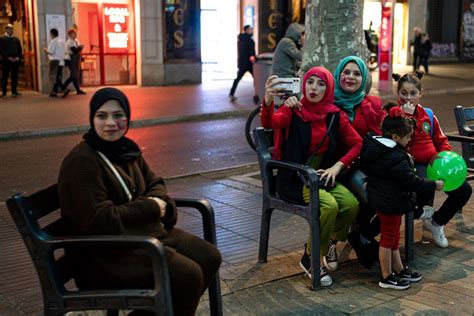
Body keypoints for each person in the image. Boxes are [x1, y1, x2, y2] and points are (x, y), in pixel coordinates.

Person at [57, 87, 222, 315]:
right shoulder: (82, 161)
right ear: (91, 118)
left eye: (118, 115)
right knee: (187, 275)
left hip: (137, 237)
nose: (110, 123)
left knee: (209, 256)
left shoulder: (126, 150)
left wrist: (154, 202)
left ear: (127, 117)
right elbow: (102, 219)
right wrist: (152, 207)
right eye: (102, 116)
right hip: (103, 255)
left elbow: (155, 183)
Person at [260, 67, 362, 286]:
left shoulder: (335, 115)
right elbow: (270, 123)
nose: (314, 88)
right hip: (294, 177)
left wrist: (337, 167)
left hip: (322, 176)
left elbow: (357, 143)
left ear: (328, 88)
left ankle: (329, 242)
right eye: (310, 82)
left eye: (321, 84)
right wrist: (268, 101)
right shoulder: (293, 109)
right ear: (303, 84)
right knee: (329, 206)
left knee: (351, 204)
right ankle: (311, 258)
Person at [360, 103, 441, 290]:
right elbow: (410, 181)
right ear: (396, 137)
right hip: (389, 202)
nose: (409, 140)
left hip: (392, 201)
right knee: (388, 239)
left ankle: (398, 268)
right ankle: (386, 275)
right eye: (407, 137)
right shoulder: (394, 156)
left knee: (394, 236)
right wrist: (432, 185)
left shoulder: (384, 150)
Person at [393, 71, 472, 248]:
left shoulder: (428, 114)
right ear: (398, 94)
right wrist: (406, 117)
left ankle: (437, 221)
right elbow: (395, 141)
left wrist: (445, 157)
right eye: (404, 93)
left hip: (435, 163)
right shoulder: (394, 115)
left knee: (464, 190)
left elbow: (441, 140)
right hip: (411, 166)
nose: (409, 98)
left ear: (420, 94)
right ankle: (419, 211)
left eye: (413, 93)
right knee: (425, 185)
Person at [332, 56, 385, 268]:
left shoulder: (370, 104)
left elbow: (380, 135)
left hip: (365, 164)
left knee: (396, 190)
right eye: (346, 72)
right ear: (338, 75)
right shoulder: (328, 104)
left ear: (363, 78)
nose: (351, 77)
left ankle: (363, 235)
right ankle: (361, 239)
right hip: (340, 167)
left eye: (357, 73)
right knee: (372, 193)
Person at [229, 25, 256, 102]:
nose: (252, 30)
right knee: (257, 79)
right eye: (250, 29)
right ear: (247, 30)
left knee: (238, 78)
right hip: (249, 64)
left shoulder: (240, 40)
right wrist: (253, 58)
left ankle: (231, 93)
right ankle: (259, 94)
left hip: (242, 63)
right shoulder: (249, 41)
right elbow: (251, 52)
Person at [44, 28, 69, 98]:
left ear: (52, 34)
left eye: (50, 34)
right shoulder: (62, 41)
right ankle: (54, 92)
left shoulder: (53, 41)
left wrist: (46, 50)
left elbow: (51, 52)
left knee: (54, 77)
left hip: (54, 61)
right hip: (61, 61)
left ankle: (64, 88)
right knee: (57, 76)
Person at [0, 23, 22, 97]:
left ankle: (14, 91)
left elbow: (20, 50)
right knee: (5, 76)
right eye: (9, 29)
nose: (11, 30)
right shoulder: (2, 38)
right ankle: (4, 92)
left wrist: (18, 57)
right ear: (6, 29)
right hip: (6, 61)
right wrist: (8, 57)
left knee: (15, 76)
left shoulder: (16, 39)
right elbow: (1, 50)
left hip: (15, 61)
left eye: (12, 29)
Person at [63, 28, 86, 95]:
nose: (75, 35)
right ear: (70, 34)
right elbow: (74, 51)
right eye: (74, 34)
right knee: (74, 75)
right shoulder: (69, 42)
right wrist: (80, 47)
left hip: (75, 58)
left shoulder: (75, 41)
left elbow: (77, 50)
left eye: (75, 33)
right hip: (71, 59)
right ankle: (64, 86)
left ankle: (77, 89)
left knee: (74, 75)